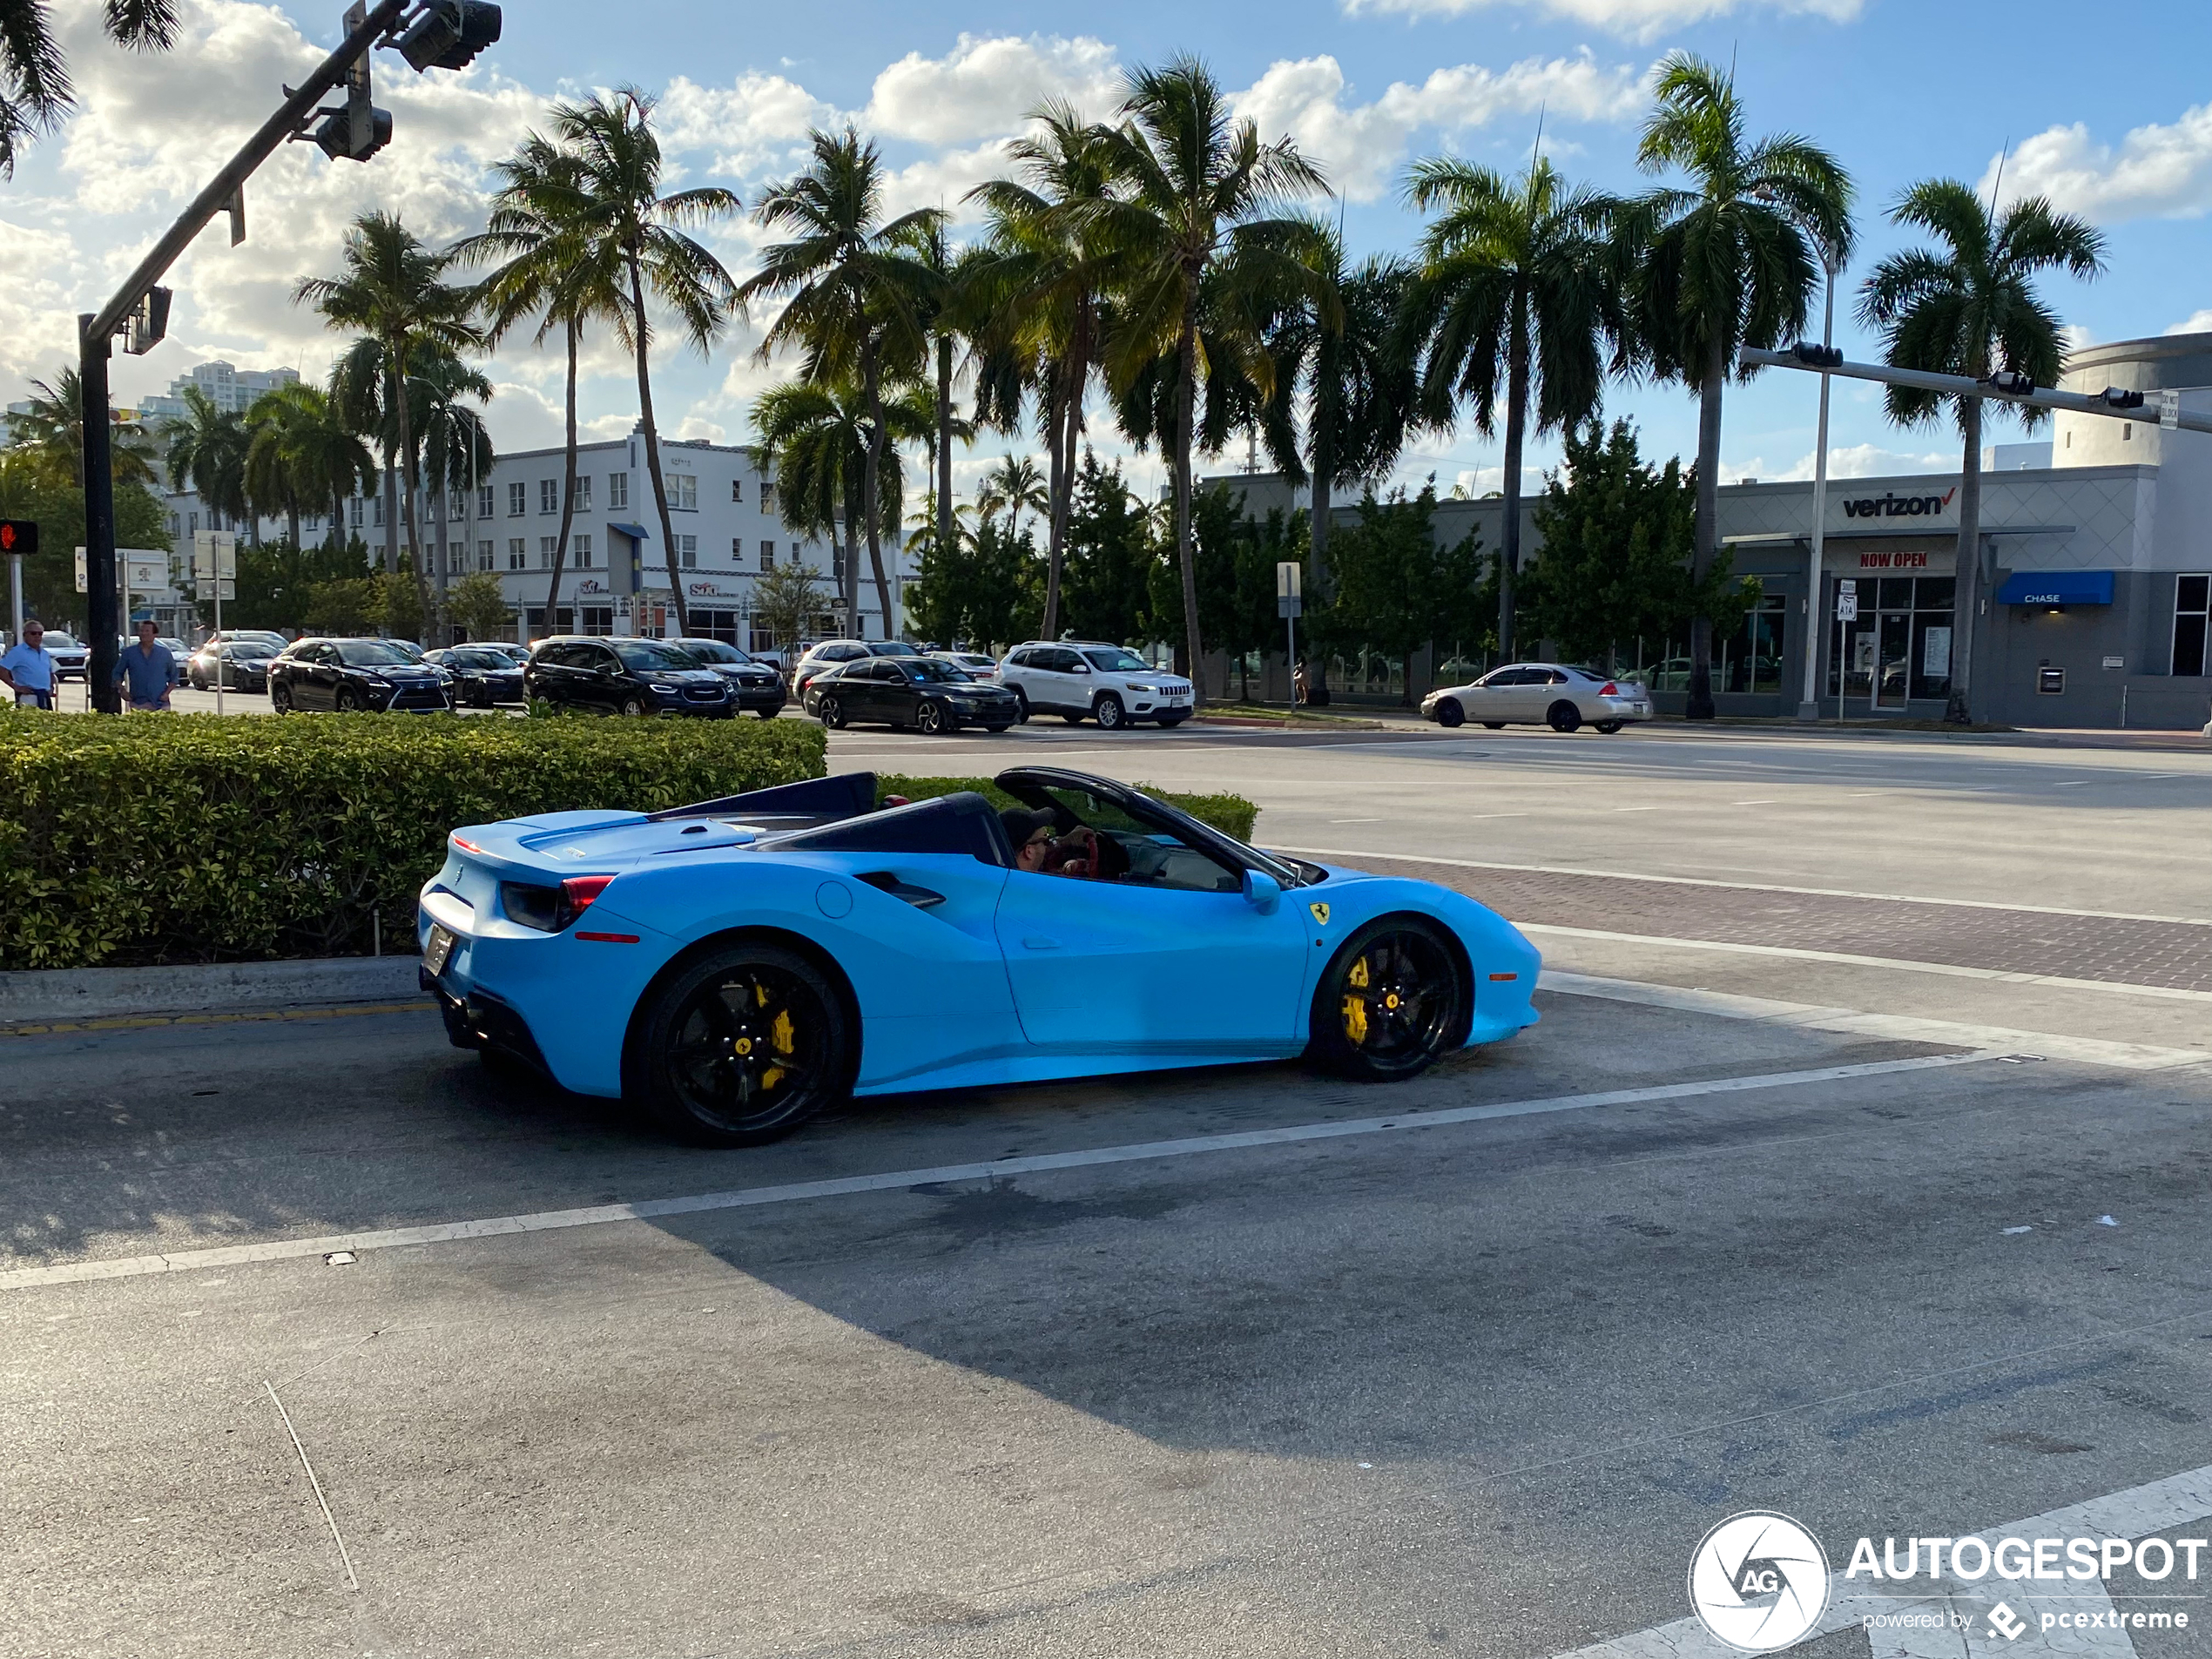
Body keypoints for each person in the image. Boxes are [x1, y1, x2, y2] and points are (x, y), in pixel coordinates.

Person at [115, 619, 178, 712]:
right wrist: (122, 690)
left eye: (147, 631)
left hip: (160, 703)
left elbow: (174, 676)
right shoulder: (129, 653)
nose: (143, 633)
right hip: (138, 702)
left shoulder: (164, 653)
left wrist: (166, 693)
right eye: (141, 631)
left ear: (155, 634)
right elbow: (117, 673)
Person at [0, 620, 57, 710]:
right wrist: (16, 687)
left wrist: (51, 687)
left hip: (44, 696)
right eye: (33, 633)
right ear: (25, 635)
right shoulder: (17, 652)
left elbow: (50, 672)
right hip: (28, 696)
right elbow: (2, 670)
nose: (37, 636)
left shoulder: (45, 653)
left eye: (40, 634)